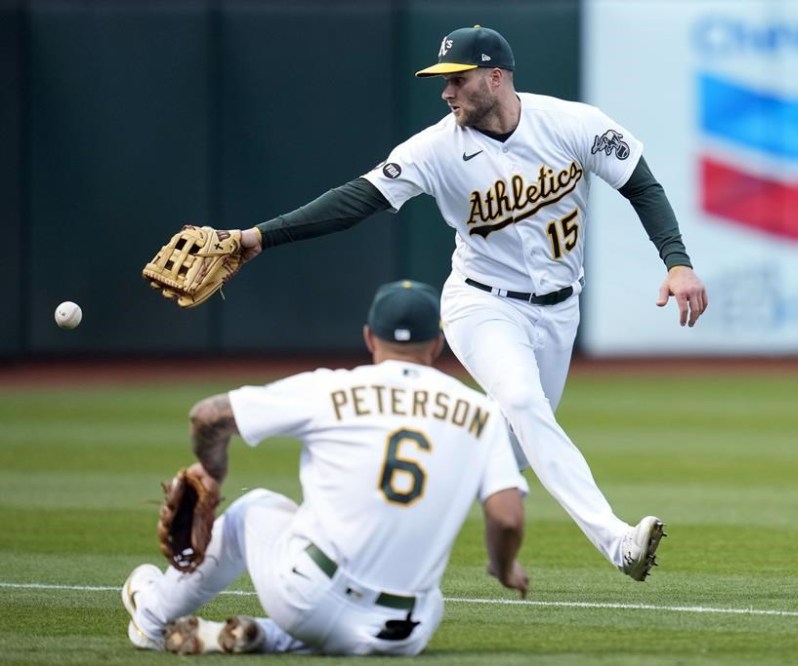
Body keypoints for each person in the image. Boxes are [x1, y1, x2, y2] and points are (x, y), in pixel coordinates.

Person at [234, 25, 708, 581]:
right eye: (443, 82)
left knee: (512, 450)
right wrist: (257, 237)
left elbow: (641, 185)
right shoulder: (436, 148)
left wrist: (676, 261)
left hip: (559, 310)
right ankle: (617, 542)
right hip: (482, 305)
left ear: (496, 77)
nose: (447, 92)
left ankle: (347, 523)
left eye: (458, 80)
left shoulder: (573, 123)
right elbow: (357, 199)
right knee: (526, 405)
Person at [121, 279, 529, 656]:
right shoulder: (481, 413)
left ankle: (152, 621)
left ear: (369, 338)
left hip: (305, 599)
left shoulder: (331, 388)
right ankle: (269, 637)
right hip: (404, 631)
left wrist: (214, 471)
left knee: (256, 506)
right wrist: (504, 566)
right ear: (438, 344)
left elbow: (206, 416)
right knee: (428, 597)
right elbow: (507, 518)